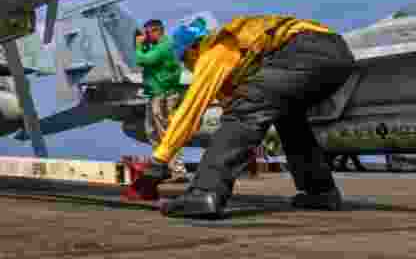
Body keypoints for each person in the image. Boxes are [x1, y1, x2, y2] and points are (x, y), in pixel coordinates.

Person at [138, 15, 356, 219]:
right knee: (289, 119)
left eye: (184, 59)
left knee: (245, 111)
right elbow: (233, 100)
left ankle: (204, 193)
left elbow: (191, 110)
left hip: (303, 50)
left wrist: (159, 161)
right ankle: (320, 191)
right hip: (337, 52)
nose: (188, 66)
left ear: (191, 50)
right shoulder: (241, 49)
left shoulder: (214, 50)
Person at [135, 19, 188, 181]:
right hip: (155, 94)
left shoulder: (164, 46)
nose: (146, 36)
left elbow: (143, 60)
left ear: (157, 31)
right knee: (152, 132)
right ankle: (163, 166)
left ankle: (178, 170)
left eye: (148, 33)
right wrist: (144, 45)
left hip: (164, 94)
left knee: (166, 133)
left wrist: (138, 46)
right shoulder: (158, 46)